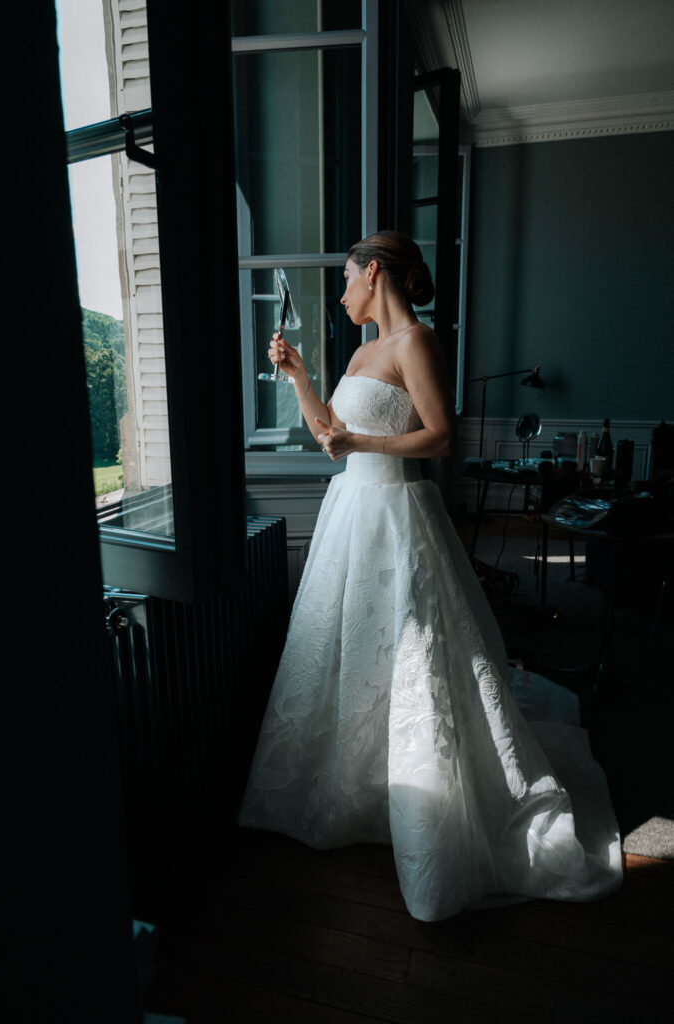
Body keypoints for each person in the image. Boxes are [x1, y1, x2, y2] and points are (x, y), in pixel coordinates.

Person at [239, 231, 622, 922]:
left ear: (373, 271)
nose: (341, 291)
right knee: (347, 654)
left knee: (413, 656)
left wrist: (357, 441)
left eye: (347, 279)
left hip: (396, 514)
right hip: (349, 510)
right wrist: (300, 378)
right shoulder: (360, 351)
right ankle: (352, 792)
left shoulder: (416, 342)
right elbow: (332, 439)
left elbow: (439, 438)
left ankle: (432, 803)